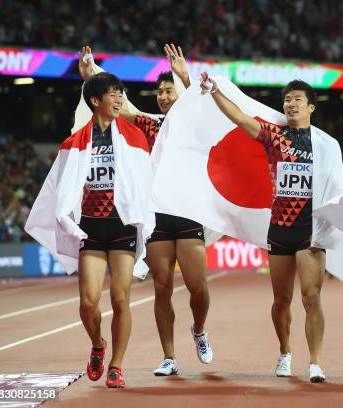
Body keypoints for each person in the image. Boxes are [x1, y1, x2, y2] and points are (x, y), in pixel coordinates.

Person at [78, 44, 213, 377]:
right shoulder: (152, 126)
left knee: (199, 288)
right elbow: (121, 105)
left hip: (189, 215)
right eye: (160, 92)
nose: (163, 97)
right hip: (158, 218)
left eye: (169, 91)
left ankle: (199, 329)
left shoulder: (198, 127)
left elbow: (211, 107)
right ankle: (169, 355)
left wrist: (185, 75)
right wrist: (93, 71)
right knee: (162, 287)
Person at [200, 72, 327, 383]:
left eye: (298, 99)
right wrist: (215, 92)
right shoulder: (275, 136)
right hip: (281, 229)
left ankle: (315, 363)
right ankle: (285, 353)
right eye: (287, 100)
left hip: (310, 230)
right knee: (281, 300)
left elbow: (334, 182)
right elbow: (240, 118)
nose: (291, 104)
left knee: (311, 296)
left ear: (311, 107)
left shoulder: (325, 145)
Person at [77, 72, 151, 388]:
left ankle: (116, 365)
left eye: (121, 94)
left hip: (121, 228)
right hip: (92, 228)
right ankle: (97, 344)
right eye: (113, 94)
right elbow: (66, 180)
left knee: (120, 300)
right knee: (89, 302)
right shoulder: (78, 138)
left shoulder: (134, 136)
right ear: (96, 101)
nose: (120, 100)